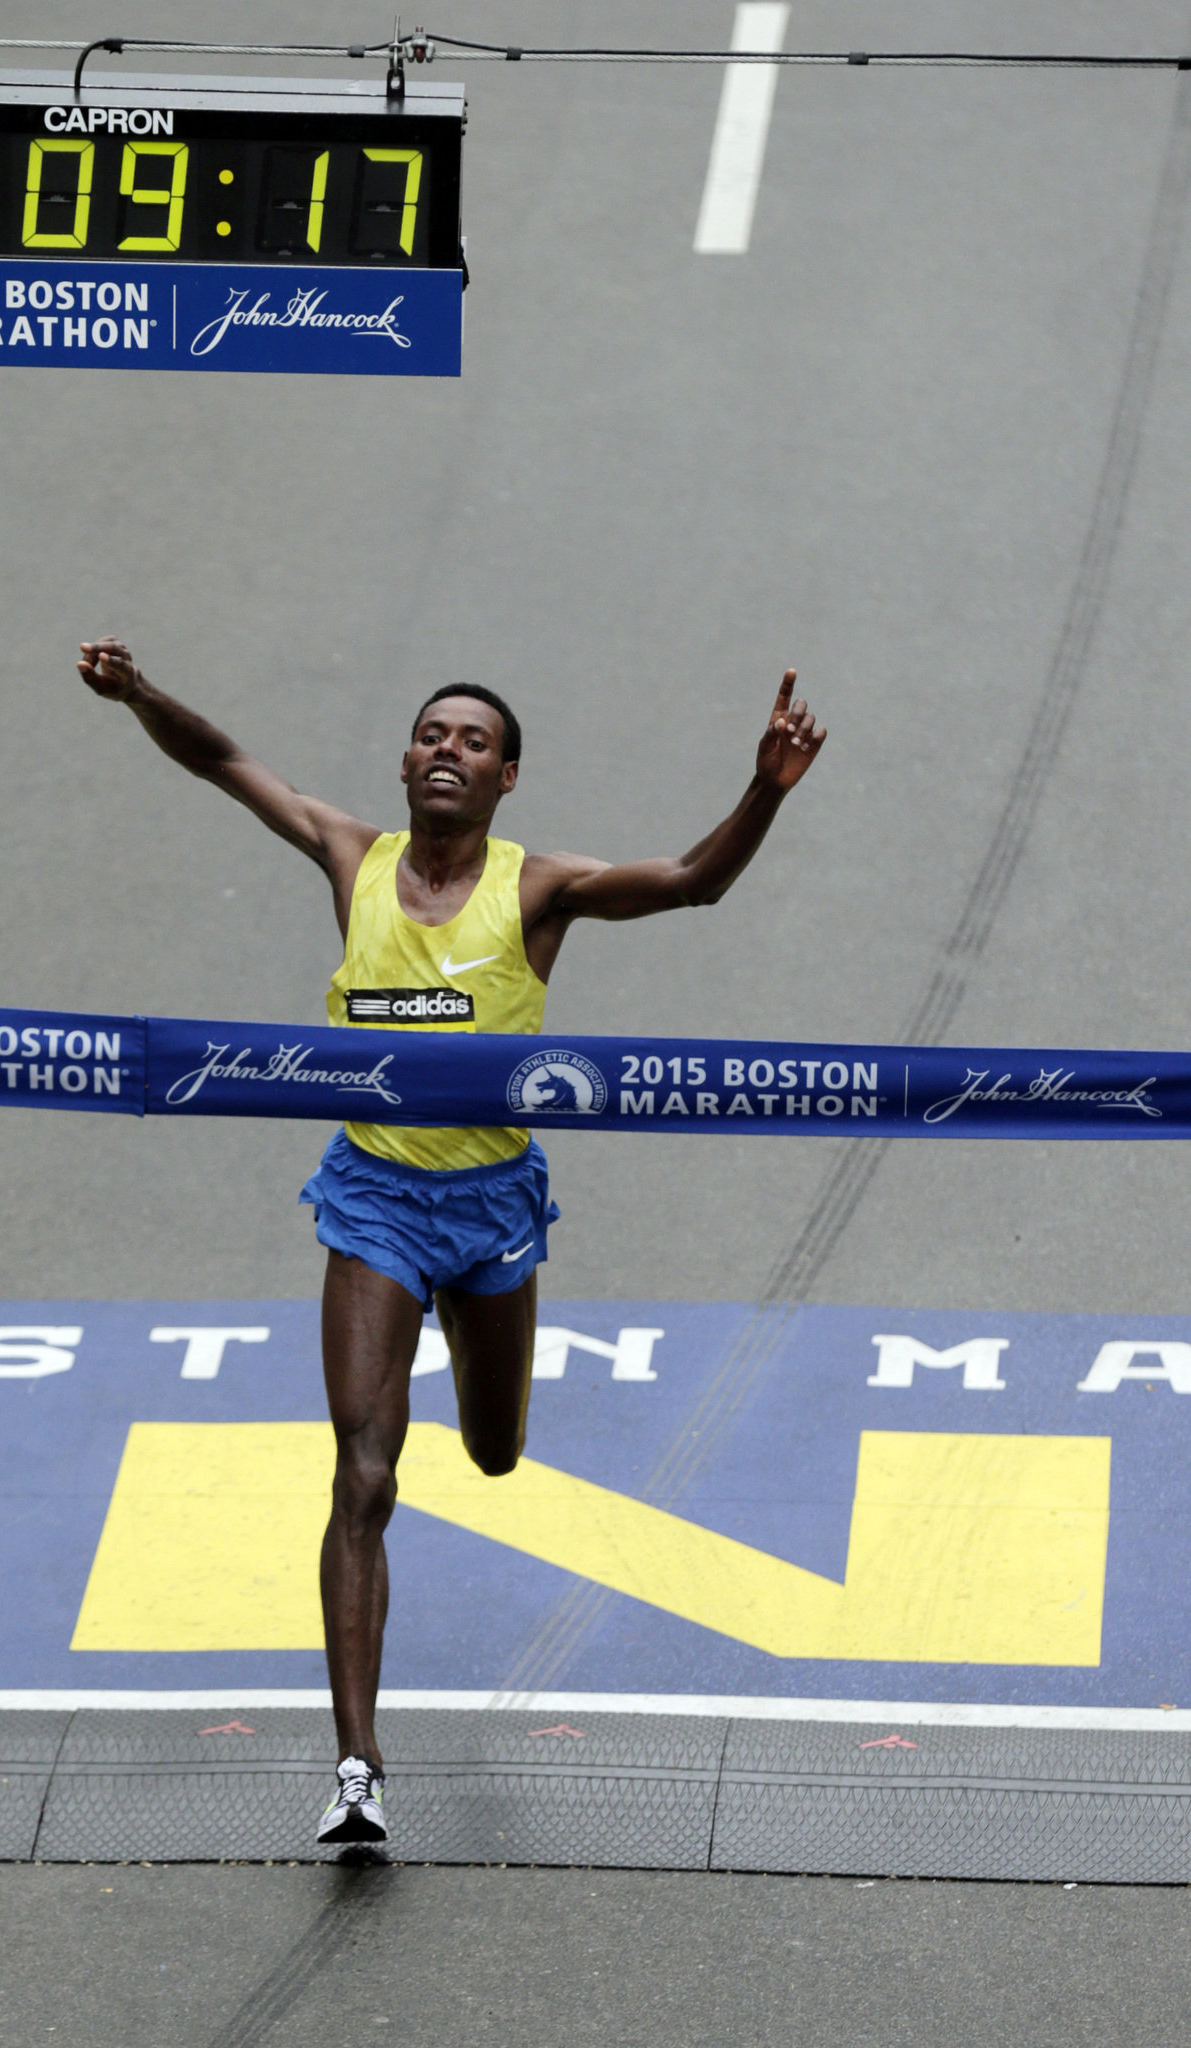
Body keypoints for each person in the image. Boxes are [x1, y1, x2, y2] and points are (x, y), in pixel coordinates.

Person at [76, 636, 826, 1846]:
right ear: (407, 756)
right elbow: (220, 759)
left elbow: (691, 880)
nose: (447, 750)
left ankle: (484, 1415)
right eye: (432, 732)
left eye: (473, 741)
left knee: (490, 1450)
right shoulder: (348, 854)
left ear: (504, 779)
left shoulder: (536, 891)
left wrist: (763, 792)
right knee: (361, 1472)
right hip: (372, 1200)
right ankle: (356, 1766)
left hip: (489, 1208)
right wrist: (138, 694)